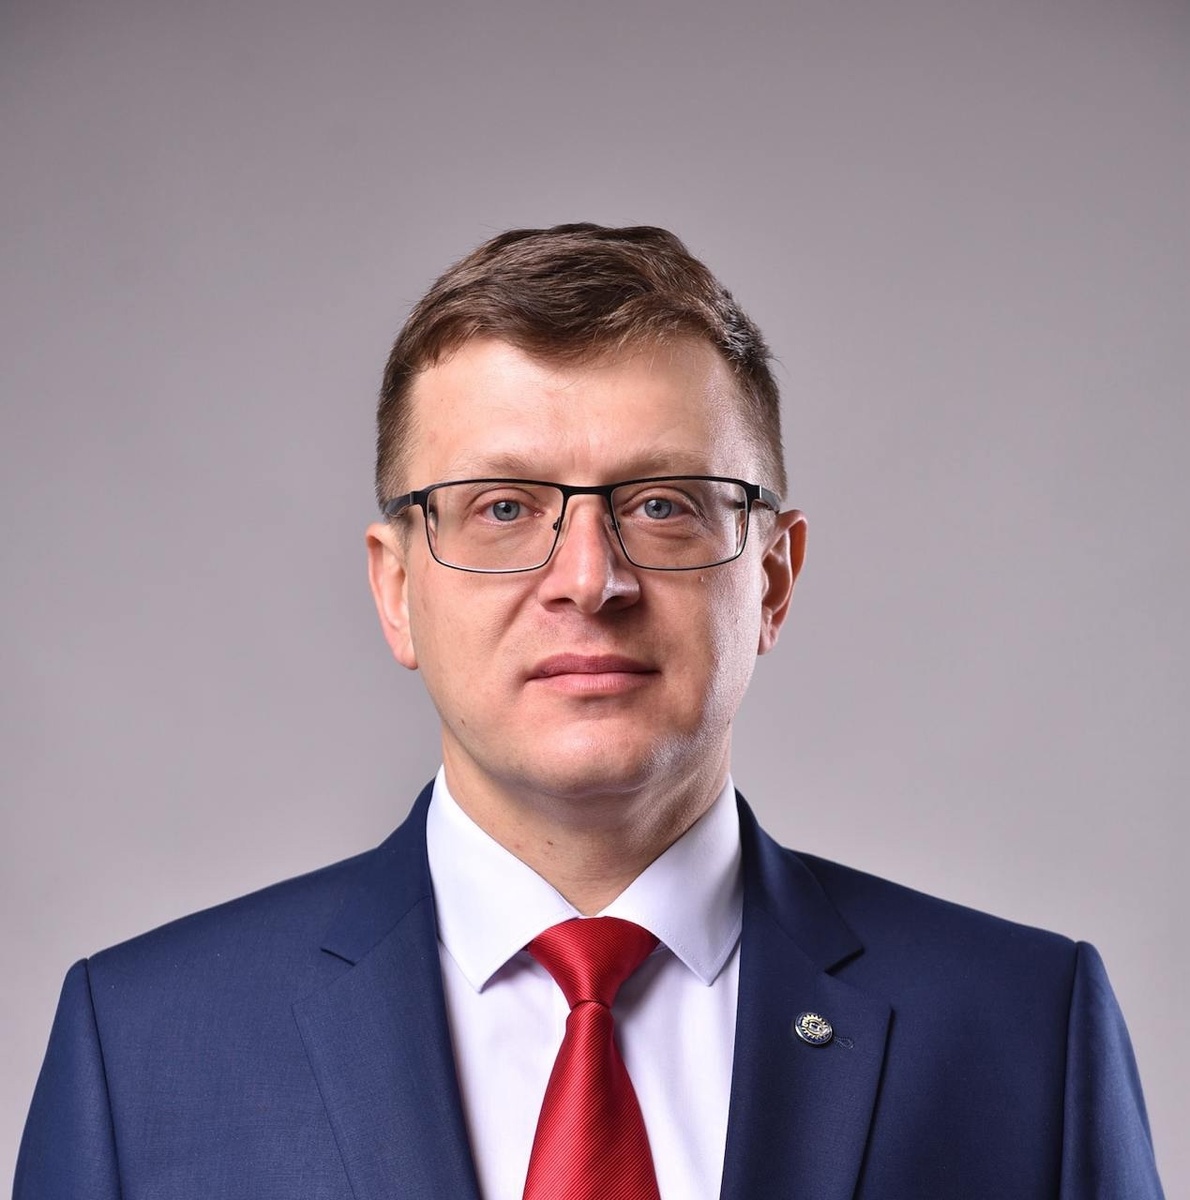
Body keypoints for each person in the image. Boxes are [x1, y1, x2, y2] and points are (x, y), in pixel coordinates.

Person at [15, 224, 1164, 1199]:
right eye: (501, 507)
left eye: (662, 504)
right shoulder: (145, 1047)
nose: (587, 578)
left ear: (770, 579)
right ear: (395, 588)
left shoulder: (1021, 1028)